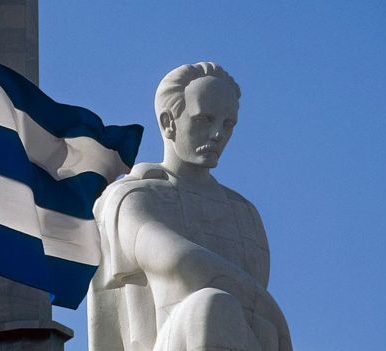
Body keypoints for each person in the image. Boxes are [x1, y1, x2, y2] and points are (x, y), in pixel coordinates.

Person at [88, 62, 292, 351]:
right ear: (169, 122)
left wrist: (270, 321)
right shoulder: (131, 196)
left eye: (227, 124)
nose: (218, 134)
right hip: (170, 340)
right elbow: (177, 261)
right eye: (204, 119)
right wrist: (272, 313)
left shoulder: (244, 213)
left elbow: (257, 322)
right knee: (210, 306)